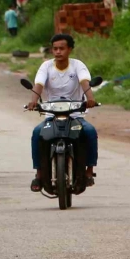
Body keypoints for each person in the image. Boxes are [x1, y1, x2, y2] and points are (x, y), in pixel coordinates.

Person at [27, 34, 98, 192]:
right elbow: (38, 84)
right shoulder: (46, 66)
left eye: (62, 48)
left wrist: (90, 98)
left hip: (75, 115)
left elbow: (85, 82)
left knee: (90, 131)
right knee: (37, 133)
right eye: (55, 49)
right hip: (52, 115)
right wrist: (33, 101)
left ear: (70, 49)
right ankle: (39, 174)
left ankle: (89, 171)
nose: (58, 52)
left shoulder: (77, 65)